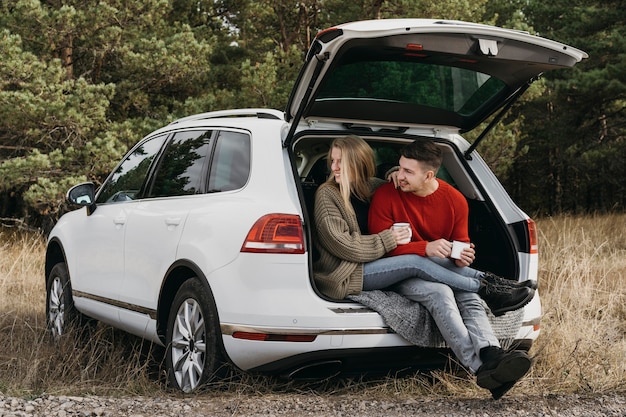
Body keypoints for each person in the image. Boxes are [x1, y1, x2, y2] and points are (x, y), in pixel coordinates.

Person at [313, 135, 531, 400]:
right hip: (349, 274)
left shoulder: (376, 186)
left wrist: (460, 253)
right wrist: (392, 239)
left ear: (360, 164)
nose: (334, 167)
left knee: (457, 292)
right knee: (425, 268)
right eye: (332, 161)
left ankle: (488, 357)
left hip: (410, 266)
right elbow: (344, 247)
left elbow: (394, 181)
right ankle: (489, 287)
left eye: (341, 162)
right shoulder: (327, 194)